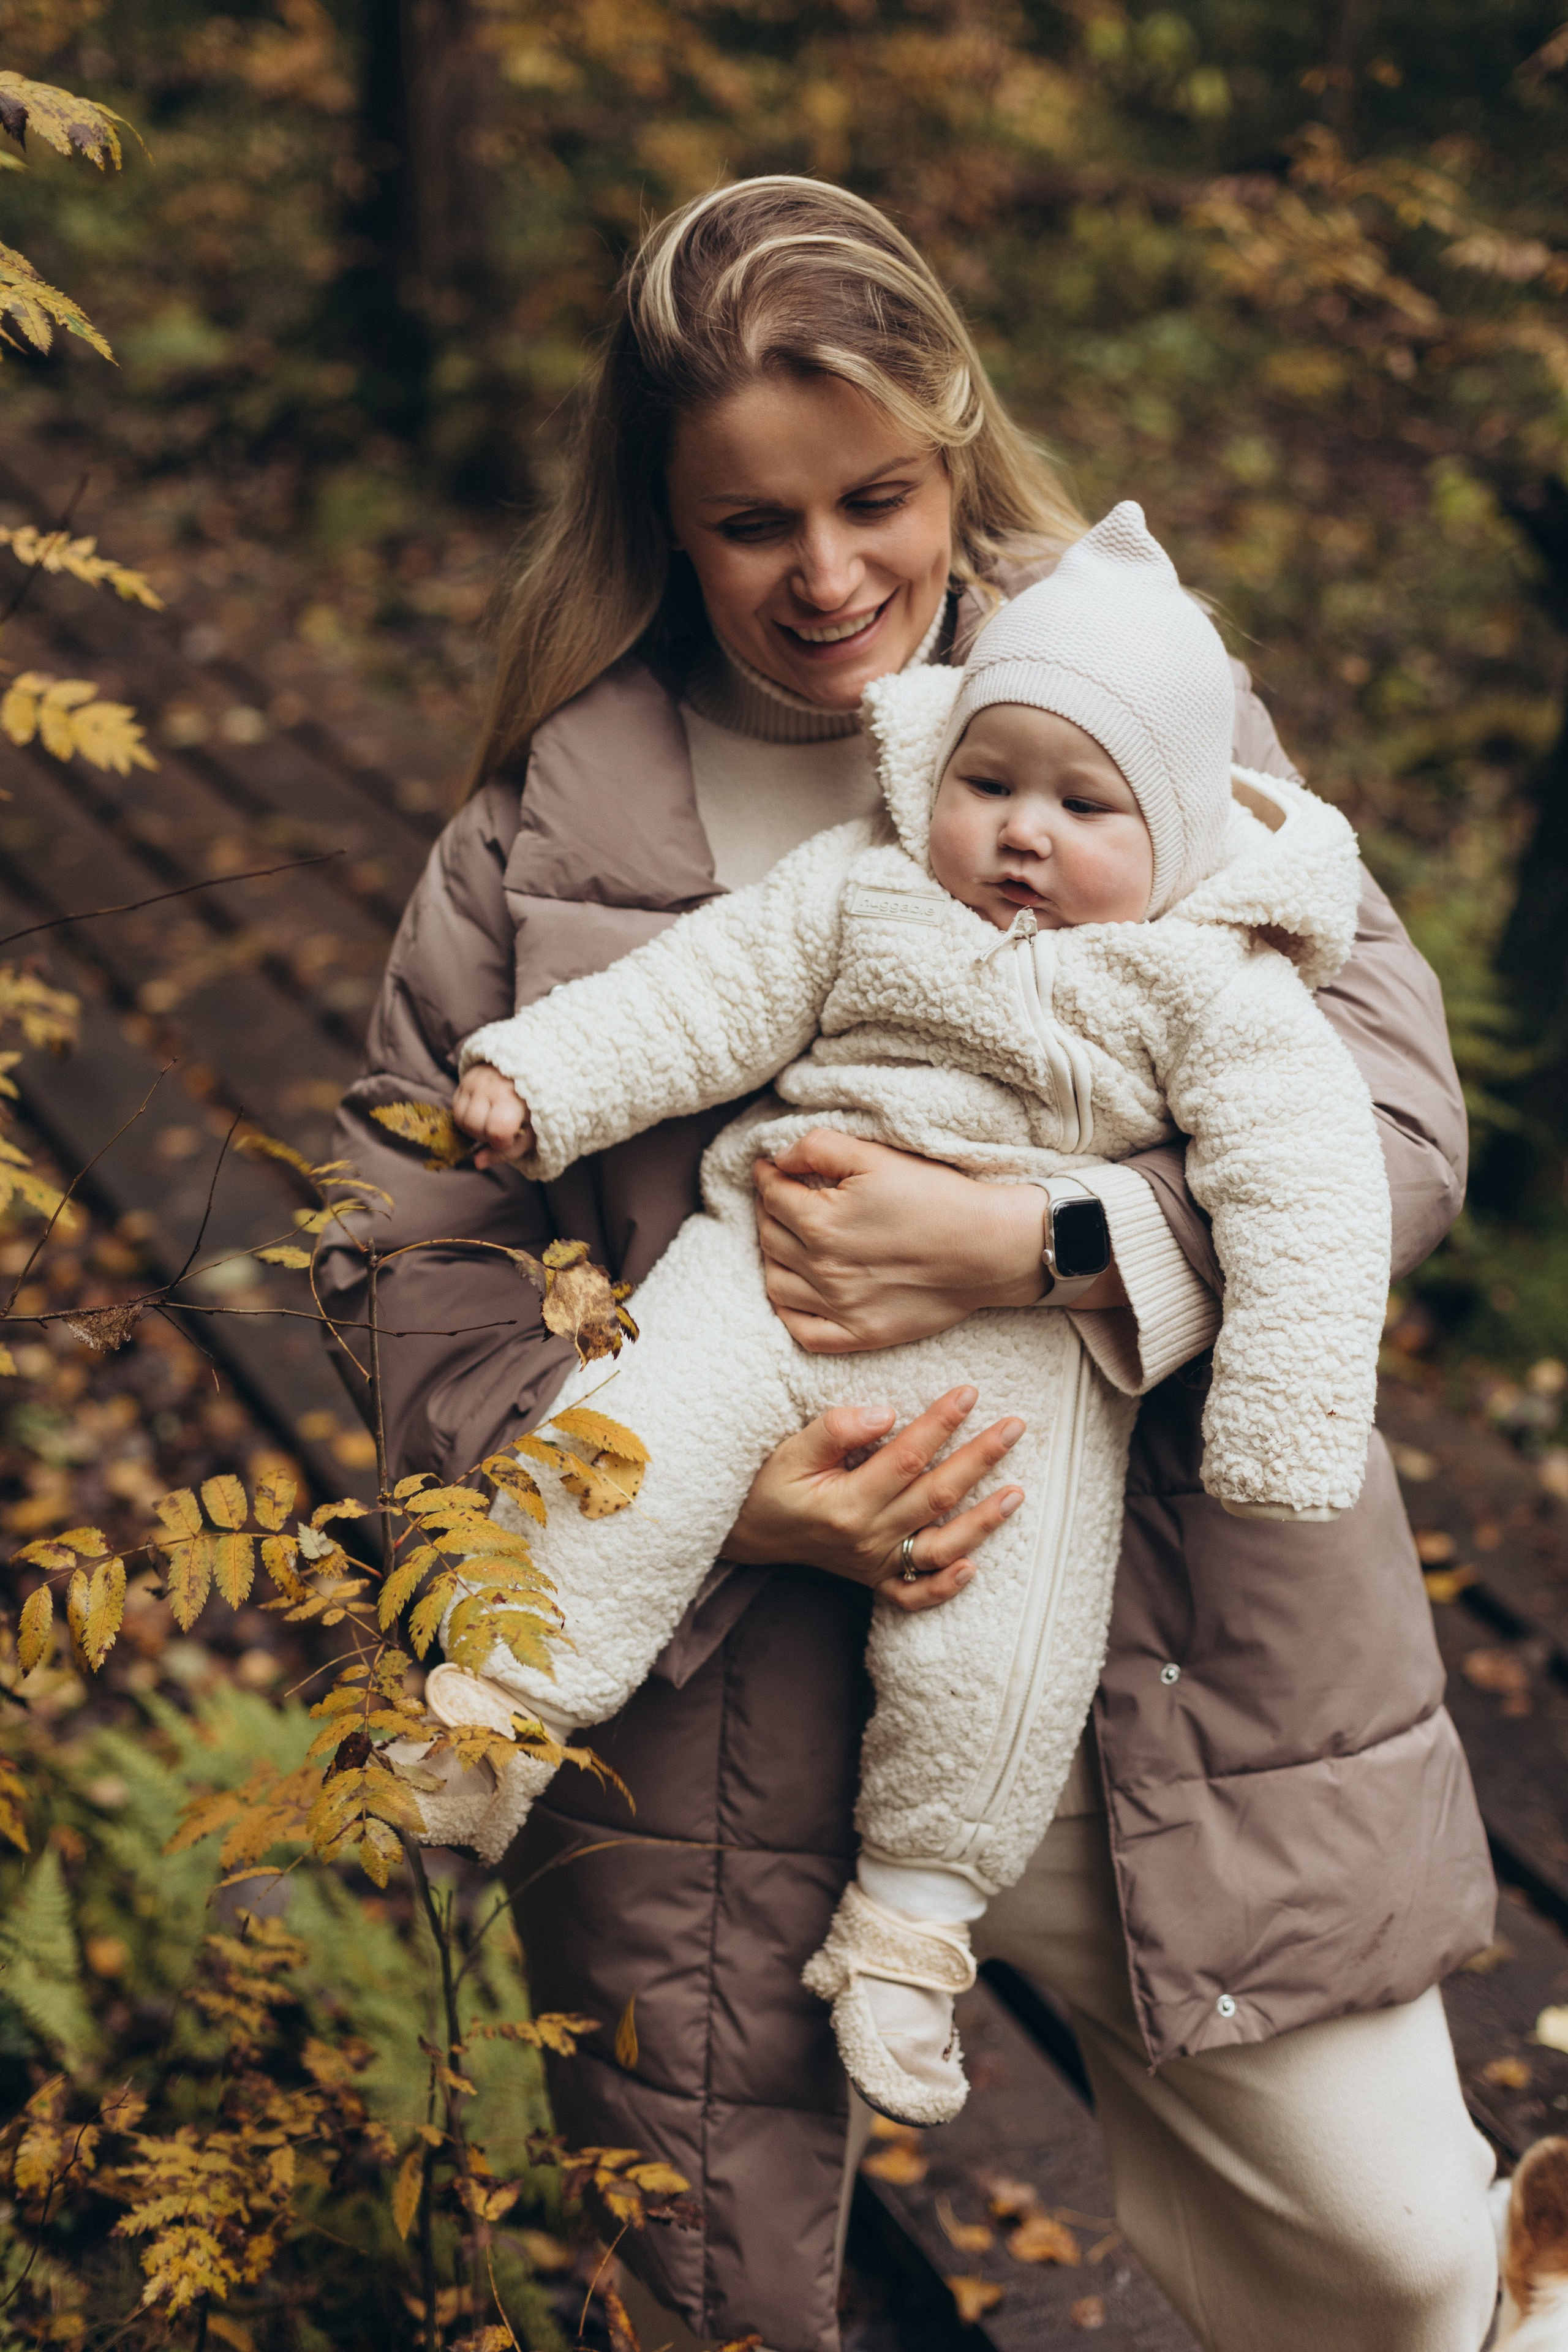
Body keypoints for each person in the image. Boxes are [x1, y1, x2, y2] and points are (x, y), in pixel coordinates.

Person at [321, 177, 1500, 2352]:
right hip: (721, 1681)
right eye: (754, 522)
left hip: (1159, 1654)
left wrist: (1054, 1239)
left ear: (956, 447)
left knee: (1401, 2263)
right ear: (665, 519)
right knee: (720, 2285)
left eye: (876, 497)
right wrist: (700, 1494)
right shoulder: (545, 825)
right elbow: (407, 1254)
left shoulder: (1121, 692)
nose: (829, 576)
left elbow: (1389, 1124)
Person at [429, 502, 1390, 2135]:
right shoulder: (865, 888)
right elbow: (704, 991)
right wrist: (544, 1078)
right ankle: (493, 1715)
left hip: (1023, 1361)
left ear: (1174, 834)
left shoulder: (1216, 983)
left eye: (1085, 805)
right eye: (990, 783)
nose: (1023, 832)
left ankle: (914, 1925)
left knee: (998, 1643)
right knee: (623, 1456)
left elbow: (1310, 1185)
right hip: (768, 1260)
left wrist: (1283, 1425)